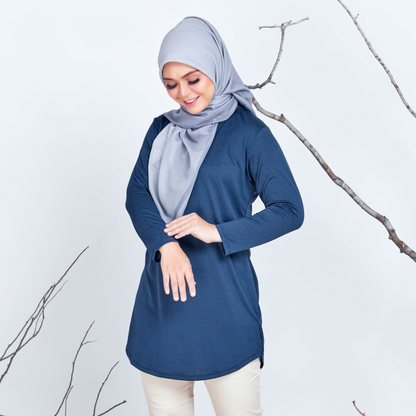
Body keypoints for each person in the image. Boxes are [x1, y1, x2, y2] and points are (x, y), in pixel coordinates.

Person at [126, 16, 304, 416]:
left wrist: (217, 231)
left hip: (226, 313)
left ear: (215, 66)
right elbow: (136, 195)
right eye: (171, 85)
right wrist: (165, 244)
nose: (183, 94)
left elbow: (290, 210)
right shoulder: (161, 130)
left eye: (193, 79)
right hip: (161, 314)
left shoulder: (249, 134)